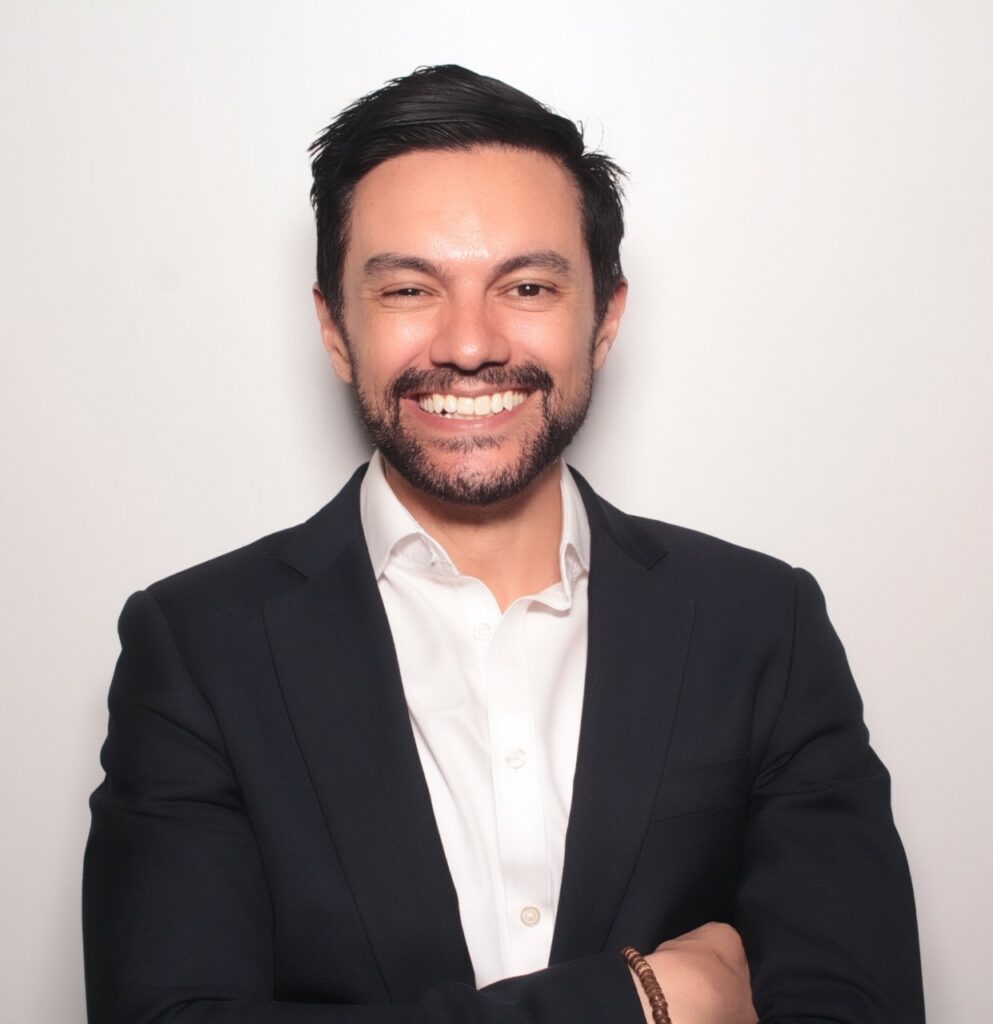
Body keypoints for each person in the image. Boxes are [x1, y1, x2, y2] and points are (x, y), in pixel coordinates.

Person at [83, 65, 924, 1023]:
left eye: (524, 285)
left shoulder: (761, 626)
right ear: (334, 329)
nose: (471, 344)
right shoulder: (197, 648)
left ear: (603, 320)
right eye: (408, 288)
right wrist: (635, 1001)